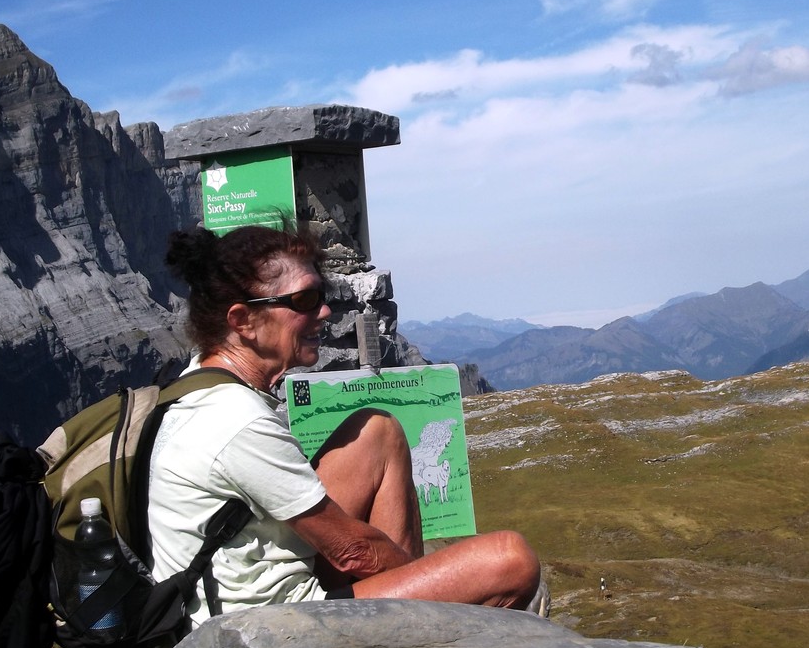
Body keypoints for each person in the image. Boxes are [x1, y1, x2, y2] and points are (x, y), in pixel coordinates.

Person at [147, 220, 541, 627]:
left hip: (238, 597)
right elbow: (352, 551)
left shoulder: (198, 381)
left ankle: (409, 624)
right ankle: (421, 631)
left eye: (322, 295)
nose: (323, 312)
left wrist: (423, 580)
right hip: (264, 629)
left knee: (376, 431)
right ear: (243, 320)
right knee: (511, 559)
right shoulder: (236, 421)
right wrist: (430, 583)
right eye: (304, 300)